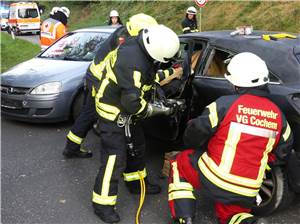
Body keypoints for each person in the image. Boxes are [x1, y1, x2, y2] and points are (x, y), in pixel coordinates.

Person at [167, 52, 293, 224]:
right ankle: (245, 220)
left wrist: (204, 145)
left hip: (216, 178)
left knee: (179, 163)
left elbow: (194, 135)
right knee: (232, 214)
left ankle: (184, 218)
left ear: (236, 83)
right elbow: (282, 153)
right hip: (249, 188)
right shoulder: (278, 115)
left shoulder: (224, 105)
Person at [91, 25, 180, 223]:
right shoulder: (132, 62)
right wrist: (161, 110)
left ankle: (136, 184)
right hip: (113, 112)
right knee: (114, 159)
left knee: (137, 147)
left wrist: (171, 73)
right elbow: (132, 103)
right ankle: (102, 204)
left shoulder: (141, 48)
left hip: (127, 113)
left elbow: (147, 78)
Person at [63, 13, 182, 159]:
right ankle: (72, 147)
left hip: (98, 75)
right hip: (99, 79)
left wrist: (168, 72)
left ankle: (73, 144)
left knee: (90, 112)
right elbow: (130, 73)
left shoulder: (124, 34)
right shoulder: (125, 43)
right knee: (90, 113)